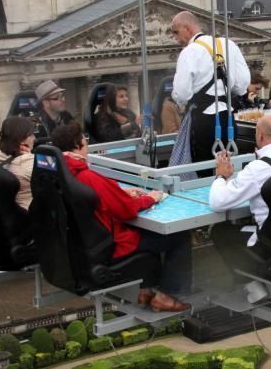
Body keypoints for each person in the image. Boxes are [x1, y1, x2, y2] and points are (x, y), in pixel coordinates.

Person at [51, 121, 191, 312]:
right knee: (179, 236)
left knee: (150, 235)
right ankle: (167, 296)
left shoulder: (62, 174)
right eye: (84, 139)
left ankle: (146, 291)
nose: (87, 142)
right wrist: (151, 198)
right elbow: (126, 210)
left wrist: (122, 193)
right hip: (114, 245)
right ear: (78, 145)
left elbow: (102, 198)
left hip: (84, 247)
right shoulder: (87, 176)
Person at [170, 11, 250, 164]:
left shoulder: (189, 52)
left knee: (203, 169)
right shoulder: (229, 45)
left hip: (203, 121)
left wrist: (178, 100)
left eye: (176, 32)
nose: (175, 38)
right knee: (227, 166)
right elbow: (242, 85)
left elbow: (182, 94)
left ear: (187, 29)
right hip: (228, 118)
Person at [0, 116, 36, 210]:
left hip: (10, 211)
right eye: (31, 135)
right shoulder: (28, 162)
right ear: (21, 140)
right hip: (29, 212)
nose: (34, 138)